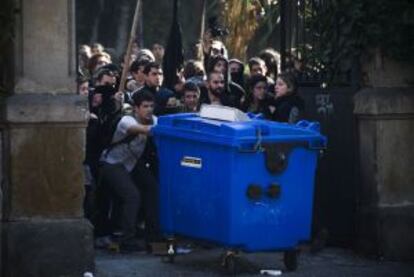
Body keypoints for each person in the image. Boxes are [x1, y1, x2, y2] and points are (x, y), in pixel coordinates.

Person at [99, 91, 160, 251]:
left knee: (152, 188)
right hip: (113, 164)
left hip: (132, 163)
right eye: (145, 106)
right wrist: (159, 129)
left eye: (151, 106)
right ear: (136, 108)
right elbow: (139, 129)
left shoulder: (154, 120)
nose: (149, 110)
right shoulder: (127, 120)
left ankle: (153, 234)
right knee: (132, 196)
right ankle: (127, 239)